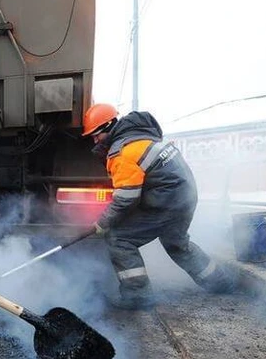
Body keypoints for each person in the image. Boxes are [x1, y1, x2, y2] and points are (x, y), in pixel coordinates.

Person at [83, 103, 235, 309]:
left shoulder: (123, 153)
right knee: (177, 244)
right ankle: (222, 283)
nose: (95, 140)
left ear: (109, 126)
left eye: (96, 135)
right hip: (184, 197)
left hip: (167, 203)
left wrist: (102, 224)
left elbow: (126, 199)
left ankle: (138, 296)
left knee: (118, 238)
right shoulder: (141, 138)